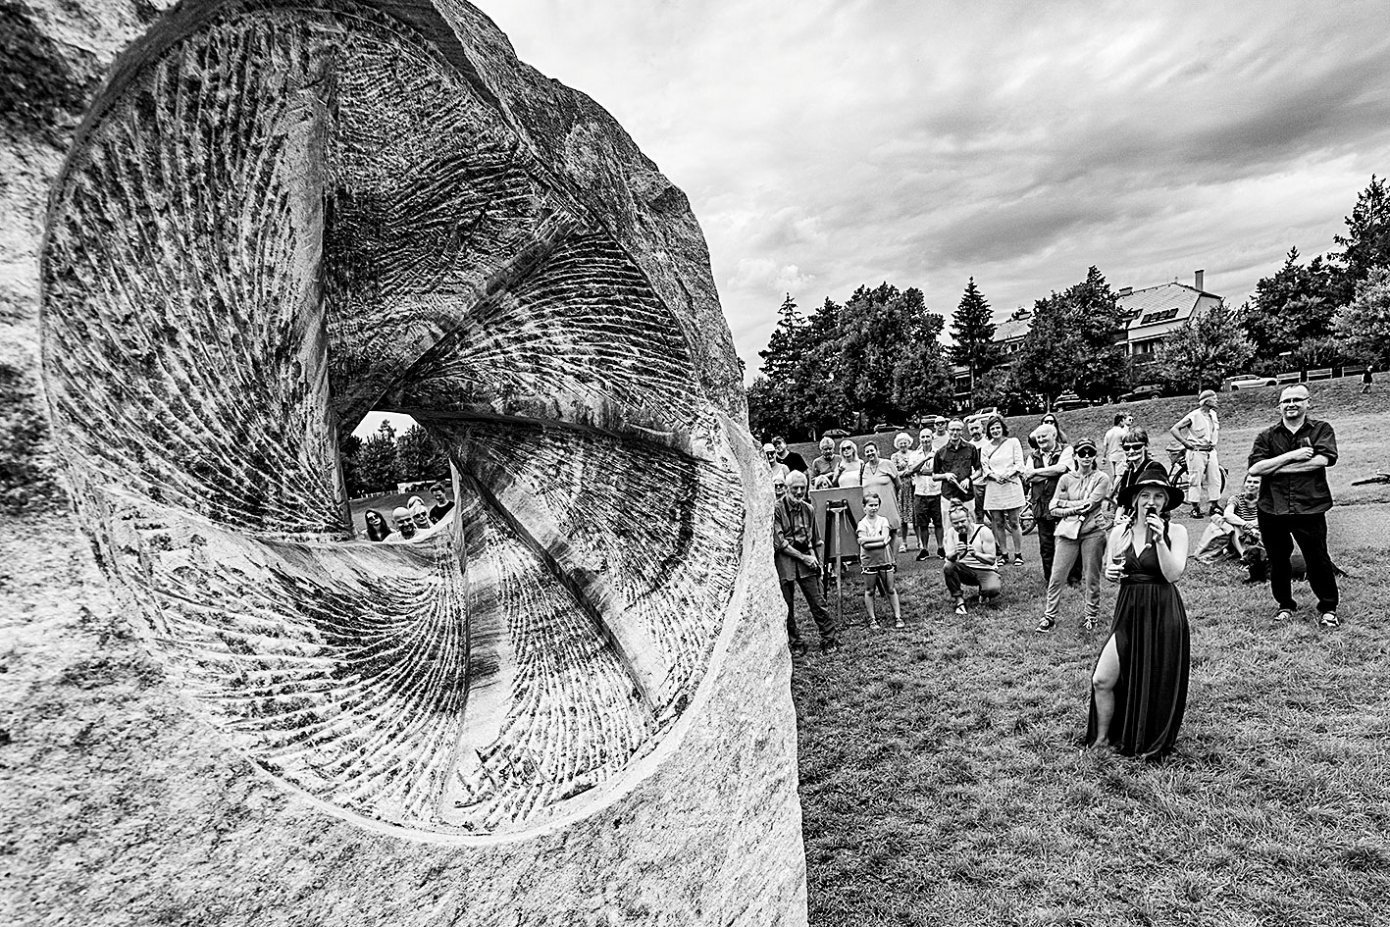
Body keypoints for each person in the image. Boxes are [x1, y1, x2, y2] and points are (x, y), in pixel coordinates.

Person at [1087, 473, 1191, 760]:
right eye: (1145, 495)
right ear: (1135, 500)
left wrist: (1159, 540)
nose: (1151, 501)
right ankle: (1102, 738)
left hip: (1163, 611)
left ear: (1166, 501)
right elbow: (1112, 570)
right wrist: (1109, 573)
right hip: (1129, 610)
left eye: (1158, 496)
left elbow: (1173, 574)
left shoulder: (1177, 532)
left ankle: (1145, 738)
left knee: (1155, 680)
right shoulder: (1120, 531)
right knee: (1102, 679)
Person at [1247, 385, 1340, 627]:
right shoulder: (1266, 436)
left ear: (1308, 402)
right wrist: (1291, 456)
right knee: (1278, 561)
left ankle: (1328, 608)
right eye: (1286, 400)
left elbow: (1321, 461)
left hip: (1309, 507)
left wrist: (1275, 468)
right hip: (1271, 508)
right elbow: (1255, 468)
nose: (1291, 404)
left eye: (1297, 399)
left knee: (1318, 558)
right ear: (1279, 406)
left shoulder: (1321, 429)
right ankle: (1285, 605)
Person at [1037, 438, 1112, 632]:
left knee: (1091, 577)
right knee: (1057, 575)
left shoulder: (1101, 478)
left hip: (1092, 532)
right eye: (1082, 453)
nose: (1086, 457)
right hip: (1067, 533)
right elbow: (1052, 508)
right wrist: (1074, 508)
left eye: (1090, 452)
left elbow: (1091, 504)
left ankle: (1091, 615)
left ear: (1095, 455)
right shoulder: (1066, 478)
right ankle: (1049, 616)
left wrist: (1066, 505)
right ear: (1075, 456)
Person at [774, 471, 838, 655]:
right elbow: (780, 543)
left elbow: (816, 539)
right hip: (785, 558)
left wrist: (818, 563)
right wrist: (804, 558)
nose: (799, 491)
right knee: (786, 605)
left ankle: (829, 638)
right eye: (795, 488)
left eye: (803, 488)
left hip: (806, 556)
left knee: (817, 601)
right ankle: (795, 642)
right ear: (786, 488)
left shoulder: (808, 509)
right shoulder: (776, 509)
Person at [1023, 423, 1075, 584]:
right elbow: (1028, 477)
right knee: (1046, 545)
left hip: (1063, 503)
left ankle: (1073, 578)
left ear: (1054, 435)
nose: (1040, 440)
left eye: (1044, 436)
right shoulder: (1033, 456)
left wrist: (1037, 472)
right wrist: (1051, 474)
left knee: (1068, 540)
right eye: (1038, 437)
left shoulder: (1067, 450)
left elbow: (1062, 469)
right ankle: (1051, 578)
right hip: (1041, 505)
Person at [980, 414, 1026, 566]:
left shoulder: (1013, 442)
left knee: (1014, 521)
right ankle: (1004, 554)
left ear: (1003, 428)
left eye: (998, 427)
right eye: (992, 428)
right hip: (994, 486)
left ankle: (1018, 554)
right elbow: (984, 467)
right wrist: (994, 476)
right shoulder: (986, 448)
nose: (995, 431)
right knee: (997, 521)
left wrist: (1007, 474)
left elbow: (1019, 463)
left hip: (1011, 484)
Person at [1170, 390, 1222, 518]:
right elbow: (1174, 429)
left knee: (1215, 478)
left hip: (1211, 451)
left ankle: (1214, 506)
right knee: (1195, 479)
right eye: (1214, 399)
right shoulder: (1194, 415)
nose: (1217, 401)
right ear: (1207, 401)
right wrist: (1185, 443)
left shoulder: (1213, 415)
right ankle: (1195, 508)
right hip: (1196, 452)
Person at [942, 504, 1001, 617]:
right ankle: (959, 601)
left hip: (985, 570)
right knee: (948, 567)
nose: (960, 525)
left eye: (963, 521)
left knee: (992, 589)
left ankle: (984, 592)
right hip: (965, 570)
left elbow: (992, 559)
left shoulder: (983, 531)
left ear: (969, 517)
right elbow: (949, 557)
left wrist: (976, 554)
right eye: (955, 523)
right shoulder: (951, 532)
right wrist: (956, 552)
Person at [856, 490, 902, 629]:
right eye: (870, 505)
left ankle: (898, 616)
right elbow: (864, 545)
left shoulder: (883, 520)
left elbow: (885, 539)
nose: (873, 508)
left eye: (876, 505)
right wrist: (880, 540)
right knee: (870, 589)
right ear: (864, 507)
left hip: (885, 558)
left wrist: (869, 540)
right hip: (869, 560)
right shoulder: (862, 524)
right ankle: (872, 619)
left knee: (890, 588)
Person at [933, 419, 982, 533]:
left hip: (967, 495)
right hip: (948, 495)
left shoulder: (971, 448)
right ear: (948, 431)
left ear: (962, 432)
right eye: (952, 430)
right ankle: (951, 550)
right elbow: (934, 476)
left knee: (971, 526)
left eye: (958, 430)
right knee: (949, 529)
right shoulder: (941, 452)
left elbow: (979, 470)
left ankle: (972, 549)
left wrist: (969, 479)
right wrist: (945, 476)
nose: (955, 432)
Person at [903, 426, 944, 560]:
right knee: (922, 523)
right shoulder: (915, 455)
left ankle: (940, 547)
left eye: (928, 436)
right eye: (923, 437)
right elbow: (910, 470)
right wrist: (925, 461)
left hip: (936, 492)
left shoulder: (939, 453)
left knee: (938, 522)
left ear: (932, 438)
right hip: (920, 493)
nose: (925, 439)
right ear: (919, 439)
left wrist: (923, 471)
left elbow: (941, 470)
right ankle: (924, 549)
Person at [1113, 426, 1169, 515]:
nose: (1131, 451)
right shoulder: (1129, 470)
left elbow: (1158, 502)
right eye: (1127, 448)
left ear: (1145, 446)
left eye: (1136, 447)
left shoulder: (1154, 468)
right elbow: (1121, 501)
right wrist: (1118, 518)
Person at [1221, 473, 1266, 582]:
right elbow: (1227, 514)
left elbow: (1269, 517)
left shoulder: (1265, 500)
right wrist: (1245, 524)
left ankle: (1262, 556)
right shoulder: (1236, 499)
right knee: (1236, 526)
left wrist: (1254, 526)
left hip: (1258, 535)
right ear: (1244, 484)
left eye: (1255, 482)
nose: (1251, 485)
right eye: (1249, 482)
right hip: (1240, 535)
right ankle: (1244, 558)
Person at [890, 432, 917, 552]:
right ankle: (904, 542)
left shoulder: (914, 454)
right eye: (901, 442)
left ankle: (920, 542)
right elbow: (893, 473)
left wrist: (910, 472)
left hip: (914, 486)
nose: (903, 444)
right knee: (903, 517)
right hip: (901, 488)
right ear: (897, 444)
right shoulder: (894, 457)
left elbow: (917, 468)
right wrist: (904, 472)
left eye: (905, 442)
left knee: (916, 515)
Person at [969, 420, 990, 521]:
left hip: (991, 481)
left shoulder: (989, 443)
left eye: (976, 428)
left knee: (996, 513)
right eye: (972, 429)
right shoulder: (969, 446)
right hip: (977, 484)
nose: (975, 431)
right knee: (978, 513)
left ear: (982, 428)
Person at [1102, 413, 1133, 481]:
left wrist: (1104, 457)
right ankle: (1113, 490)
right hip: (1120, 455)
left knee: (1114, 476)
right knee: (1120, 475)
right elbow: (1126, 444)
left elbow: (1105, 446)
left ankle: (1115, 489)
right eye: (1124, 420)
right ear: (1120, 421)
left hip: (1111, 456)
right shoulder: (1122, 432)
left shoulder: (1108, 432)